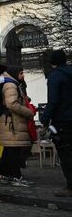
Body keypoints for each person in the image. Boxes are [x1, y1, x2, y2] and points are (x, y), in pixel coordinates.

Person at [41, 50, 72, 197]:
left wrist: (45, 119)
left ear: (52, 62)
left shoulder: (55, 76)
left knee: (66, 154)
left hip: (63, 121)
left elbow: (53, 101)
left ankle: (70, 186)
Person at [0, 65, 35, 187]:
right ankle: (16, 176)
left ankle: (6, 175)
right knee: (14, 151)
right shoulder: (11, 86)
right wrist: (28, 112)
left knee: (9, 150)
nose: (23, 75)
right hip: (12, 123)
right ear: (14, 74)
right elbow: (12, 104)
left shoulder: (10, 84)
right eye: (21, 73)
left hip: (9, 122)